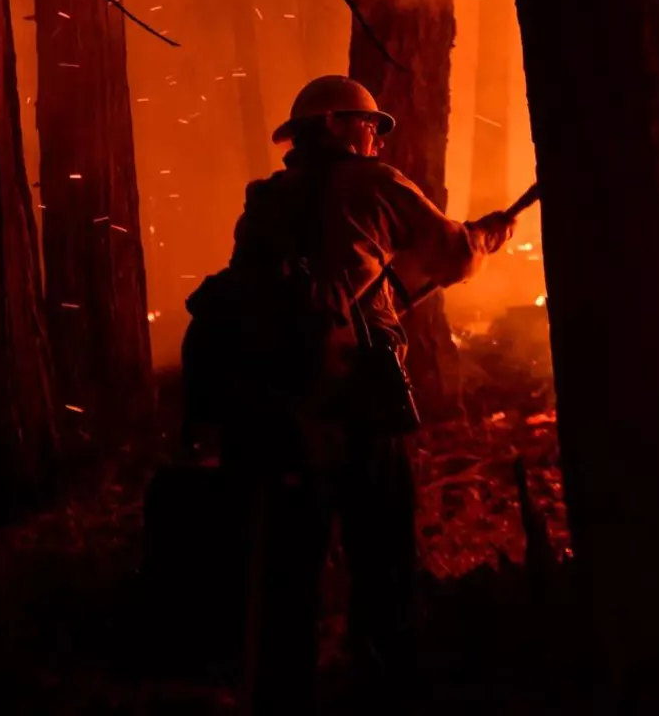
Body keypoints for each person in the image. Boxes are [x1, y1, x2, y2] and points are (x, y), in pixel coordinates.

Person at [205, 74, 517, 714]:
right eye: (367, 124)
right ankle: (387, 692)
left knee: (289, 568)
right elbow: (452, 253)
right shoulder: (373, 183)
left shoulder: (266, 201)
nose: (375, 135)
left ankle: (279, 696)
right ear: (338, 128)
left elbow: (334, 279)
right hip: (365, 400)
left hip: (283, 405)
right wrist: (486, 235)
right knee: (384, 564)